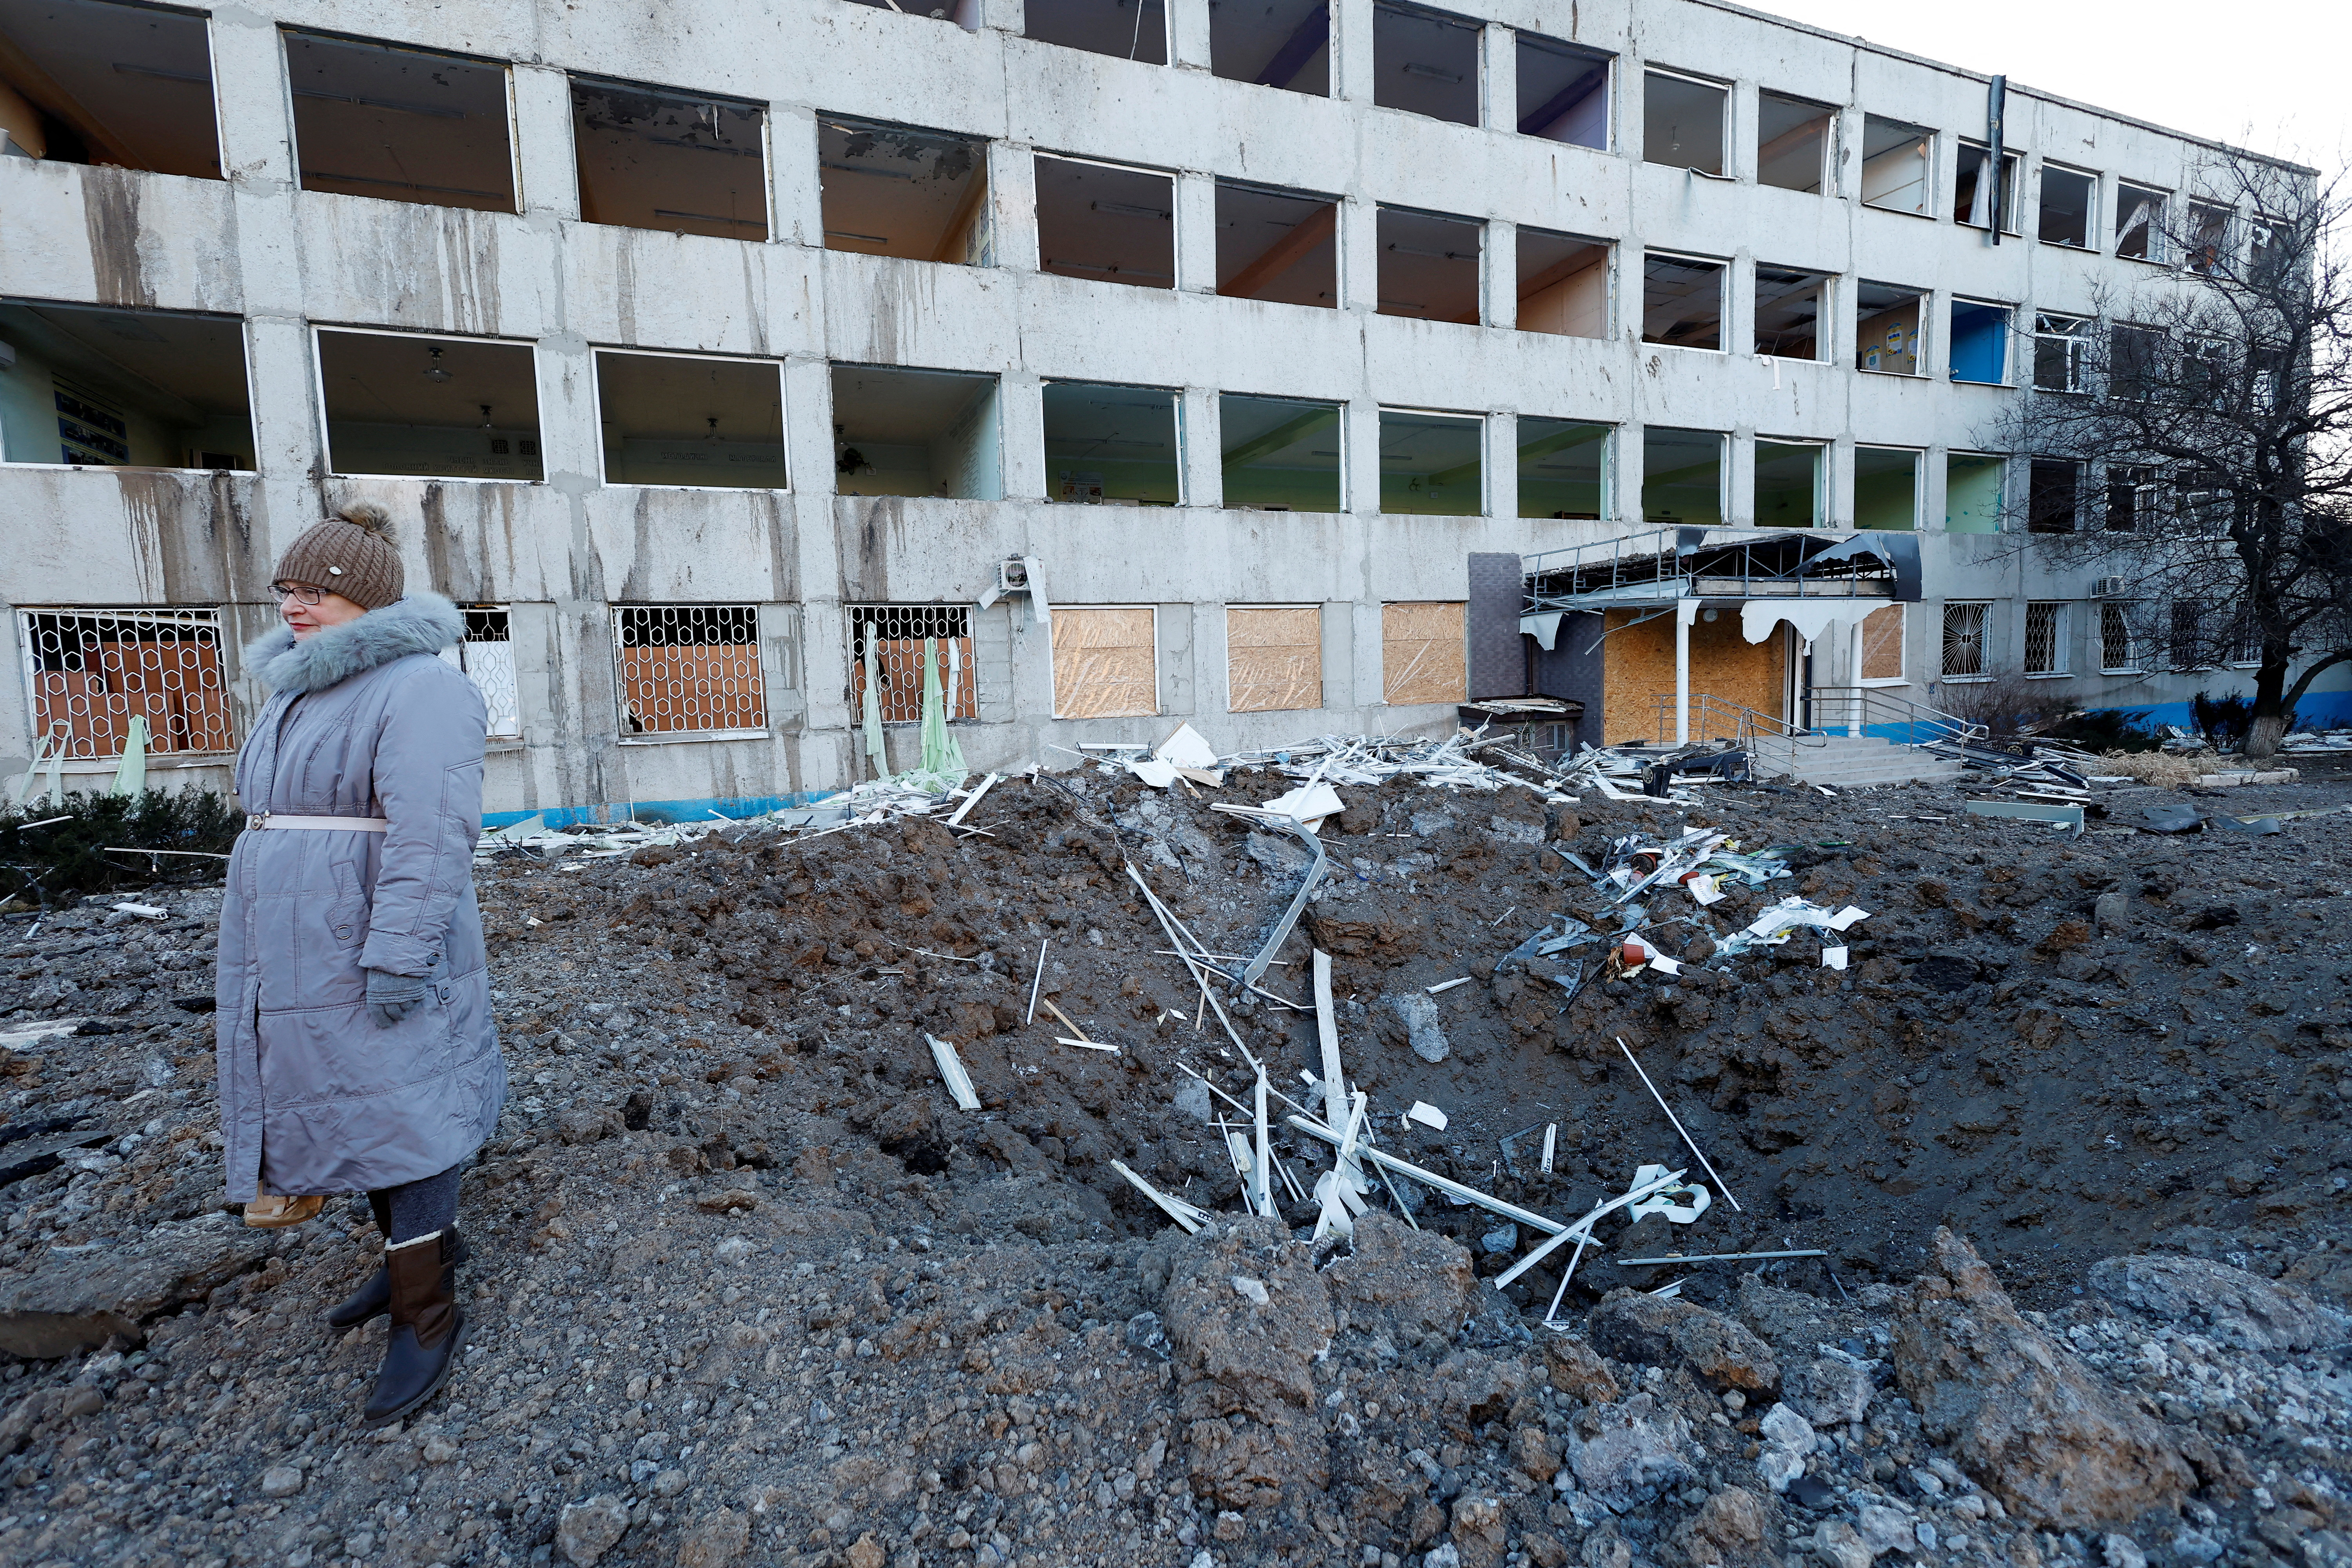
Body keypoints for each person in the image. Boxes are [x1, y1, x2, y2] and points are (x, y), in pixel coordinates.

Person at [213, 503, 506, 1428]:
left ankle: (427, 1311)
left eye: (318, 590)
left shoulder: (420, 687)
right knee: (356, 1098)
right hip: (301, 935)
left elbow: (433, 832)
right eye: (288, 589)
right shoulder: (302, 686)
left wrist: (399, 954)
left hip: (373, 932)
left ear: (368, 597)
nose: (296, 606)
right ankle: (396, 1268)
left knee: (407, 1102)